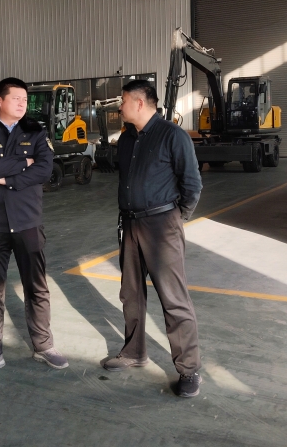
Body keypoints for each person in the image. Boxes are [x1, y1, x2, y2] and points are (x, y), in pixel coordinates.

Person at [102, 79, 204, 398]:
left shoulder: (172, 135)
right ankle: (134, 352)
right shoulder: (127, 138)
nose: (120, 107)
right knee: (131, 294)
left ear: (139, 103)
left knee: (173, 298)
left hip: (162, 225)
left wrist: (174, 218)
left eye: (123, 101)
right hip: (130, 224)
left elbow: (192, 185)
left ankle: (189, 369)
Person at [0, 77, 69, 379]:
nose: (22, 103)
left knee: (36, 287)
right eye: (16, 98)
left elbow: (45, 169)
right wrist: (25, 162)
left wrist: (8, 178)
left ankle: (44, 346)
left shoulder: (36, 131)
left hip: (28, 222)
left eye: (25, 99)